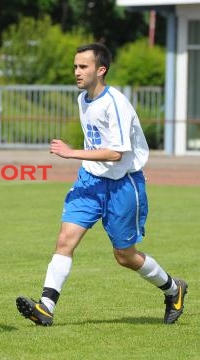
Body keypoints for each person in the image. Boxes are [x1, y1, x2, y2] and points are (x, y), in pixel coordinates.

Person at [16, 43, 187, 326]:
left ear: (101, 70)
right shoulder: (83, 99)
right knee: (64, 241)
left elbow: (116, 152)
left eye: (83, 67)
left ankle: (173, 288)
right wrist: (82, 160)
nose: (77, 72)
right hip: (90, 181)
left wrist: (71, 153)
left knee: (125, 256)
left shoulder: (116, 103)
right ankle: (45, 307)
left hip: (122, 185)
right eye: (75, 66)